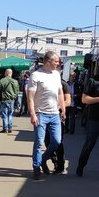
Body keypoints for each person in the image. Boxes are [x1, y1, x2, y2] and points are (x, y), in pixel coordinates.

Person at [27, 52, 66, 180]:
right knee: (38, 143)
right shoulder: (36, 75)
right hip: (40, 113)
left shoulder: (56, 74)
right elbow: (30, 97)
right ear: (48, 61)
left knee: (56, 141)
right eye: (56, 61)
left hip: (55, 114)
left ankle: (43, 159)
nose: (58, 64)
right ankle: (36, 168)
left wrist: (63, 110)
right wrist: (32, 114)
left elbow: (60, 93)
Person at [0, 68, 20, 133]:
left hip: (4, 99)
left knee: (4, 114)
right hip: (12, 99)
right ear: (11, 73)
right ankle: (10, 128)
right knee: (10, 114)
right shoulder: (15, 81)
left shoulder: (2, 80)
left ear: (6, 73)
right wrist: (14, 96)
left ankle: (5, 128)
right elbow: (17, 91)